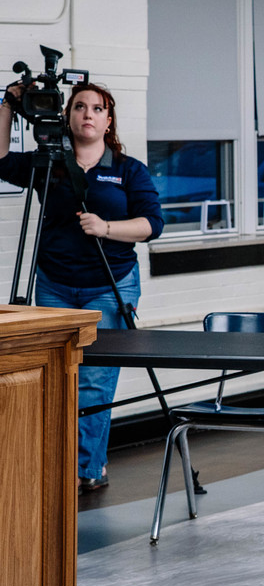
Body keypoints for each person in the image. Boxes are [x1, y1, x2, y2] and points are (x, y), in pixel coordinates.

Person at [0, 81, 163, 492]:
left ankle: (87, 470)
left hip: (109, 286)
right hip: (54, 285)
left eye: (96, 108)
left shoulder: (128, 170)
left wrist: (107, 228)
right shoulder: (47, 163)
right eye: (79, 107)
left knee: (93, 382)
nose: (87, 114)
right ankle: (57, 461)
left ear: (108, 121)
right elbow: (0, 160)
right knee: (53, 377)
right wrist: (7, 104)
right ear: (67, 116)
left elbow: (152, 225)